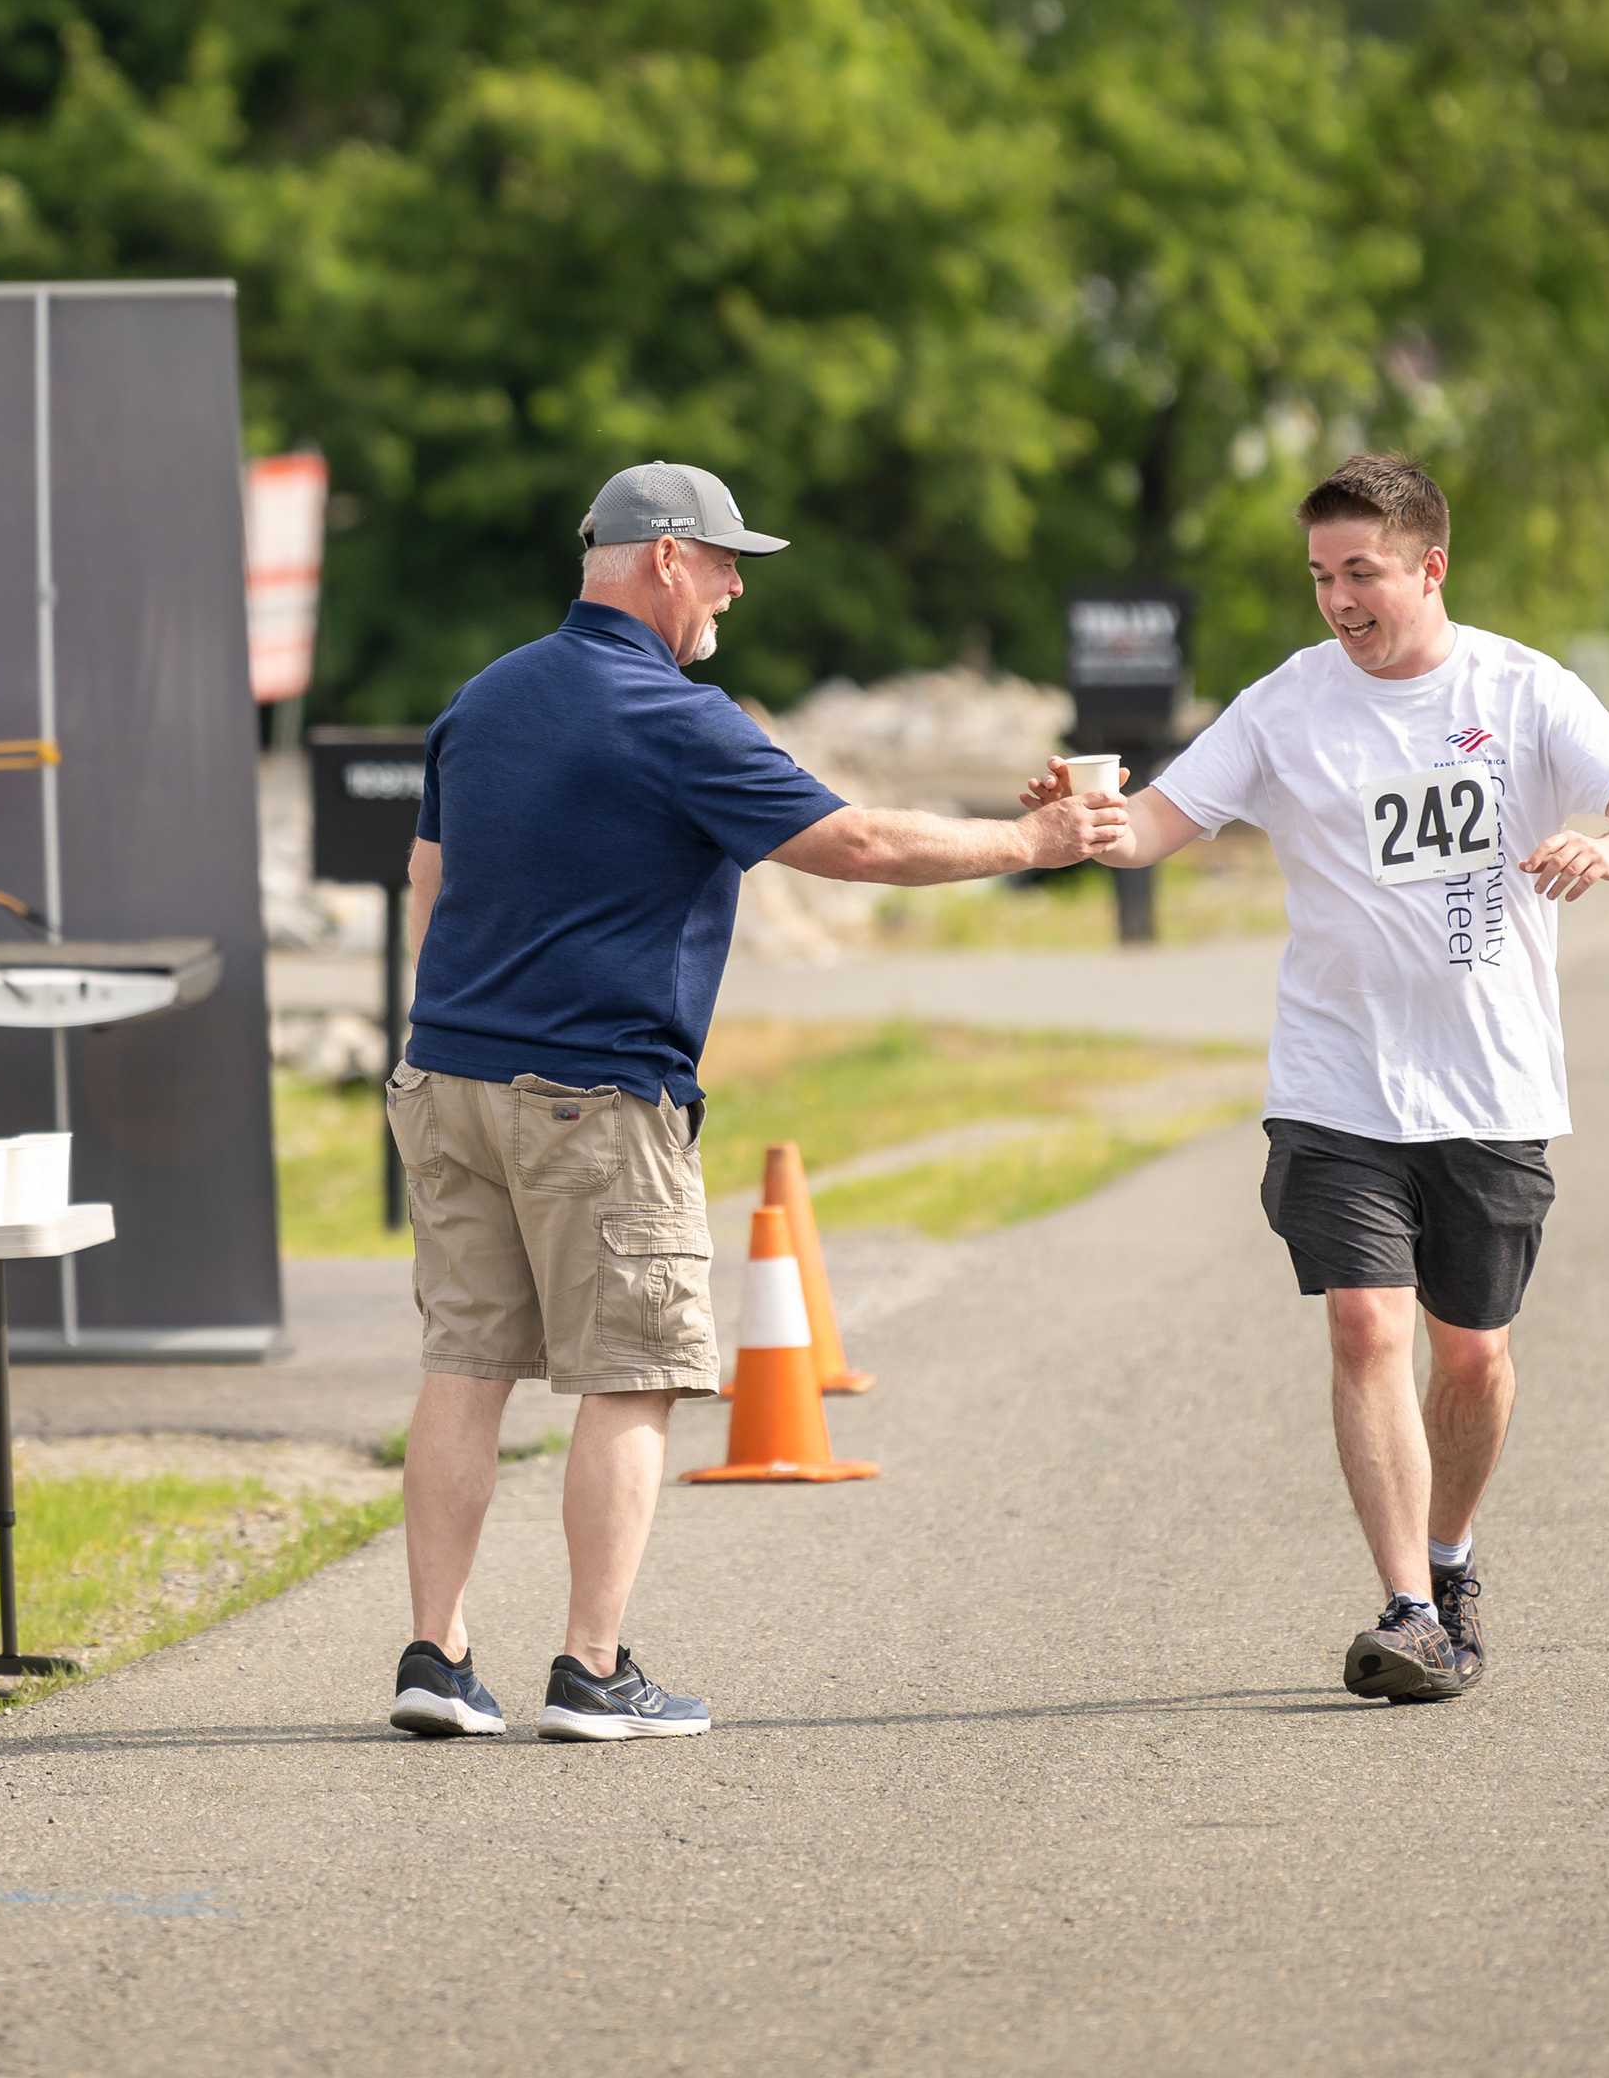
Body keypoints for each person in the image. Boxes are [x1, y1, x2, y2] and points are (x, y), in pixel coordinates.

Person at [382, 462, 1130, 1743]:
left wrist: (450, 1032)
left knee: (465, 1365)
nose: (736, 587)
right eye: (727, 561)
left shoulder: (485, 697)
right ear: (667, 556)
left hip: (445, 1080)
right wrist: (1035, 844)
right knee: (632, 1377)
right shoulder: (675, 717)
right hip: (596, 1097)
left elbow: (427, 883)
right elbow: (859, 845)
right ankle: (590, 1669)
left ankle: (435, 1658)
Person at [1052, 454, 1609, 1703]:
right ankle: (1407, 1609)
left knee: (1474, 1358)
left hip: (1490, 1083)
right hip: (1336, 1076)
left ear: (1430, 566)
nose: (1339, 600)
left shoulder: (1521, 690)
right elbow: (1158, 824)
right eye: (1320, 577)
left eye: (1362, 573)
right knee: (1365, 1322)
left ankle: (1450, 1563)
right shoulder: (1285, 706)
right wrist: (1085, 820)